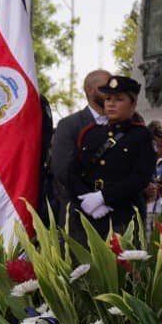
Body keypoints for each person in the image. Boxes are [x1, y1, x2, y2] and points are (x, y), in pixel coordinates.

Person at [70, 75, 154, 236]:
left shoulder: (141, 135)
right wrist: (87, 200)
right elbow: (73, 173)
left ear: (133, 104)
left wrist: (103, 197)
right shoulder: (90, 134)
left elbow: (141, 178)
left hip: (123, 217)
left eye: (119, 99)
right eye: (108, 98)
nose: (111, 104)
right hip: (90, 213)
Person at [49, 69, 111, 229]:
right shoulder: (70, 125)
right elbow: (62, 171)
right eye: (106, 87)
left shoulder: (124, 123)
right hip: (80, 219)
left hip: (118, 218)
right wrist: (95, 200)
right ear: (90, 90)